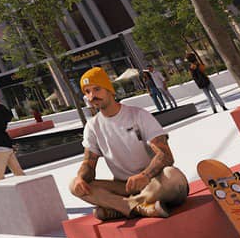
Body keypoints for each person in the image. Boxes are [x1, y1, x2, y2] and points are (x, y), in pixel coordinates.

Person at [68, 67, 188, 221]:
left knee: (173, 176)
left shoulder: (138, 115)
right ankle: (139, 207)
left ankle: (120, 208)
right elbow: (88, 164)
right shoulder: (92, 126)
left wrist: (145, 176)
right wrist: (81, 178)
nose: (92, 96)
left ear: (109, 90)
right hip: (123, 187)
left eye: (97, 89)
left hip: (153, 181)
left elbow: (165, 155)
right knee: (74, 185)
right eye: (87, 92)